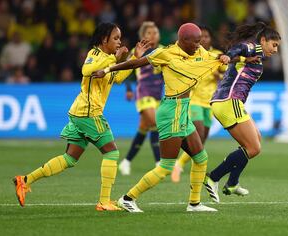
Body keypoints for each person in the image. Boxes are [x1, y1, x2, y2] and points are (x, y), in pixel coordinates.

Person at [92, 23, 230, 212]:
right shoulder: (165, 53)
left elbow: (212, 57)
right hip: (171, 112)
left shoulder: (199, 52)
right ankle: (127, 198)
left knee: (201, 158)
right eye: (196, 42)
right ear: (183, 41)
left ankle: (194, 204)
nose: (199, 45)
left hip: (183, 111)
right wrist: (108, 70)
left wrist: (222, 57)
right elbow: (135, 63)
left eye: (200, 42)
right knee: (166, 166)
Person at [13, 22, 150, 211]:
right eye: (116, 38)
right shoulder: (94, 55)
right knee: (112, 152)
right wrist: (113, 59)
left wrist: (134, 58)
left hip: (81, 113)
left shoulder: (107, 58)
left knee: (70, 159)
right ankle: (104, 202)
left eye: (120, 38)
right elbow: (86, 71)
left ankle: (25, 180)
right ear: (104, 40)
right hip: (89, 113)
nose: (119, 42)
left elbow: (116, 77)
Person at [204, 22, 281, 203]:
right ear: (263, 40)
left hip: (228, 102)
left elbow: (240, 55)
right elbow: (239, 48)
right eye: (274, 44)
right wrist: (228, 55)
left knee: (256, 140)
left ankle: (232, 182)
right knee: (253, 148)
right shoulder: (253, 48)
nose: (276, 50)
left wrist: (236, 58)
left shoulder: (257, 56)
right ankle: (213, 177)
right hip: (229, 101)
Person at [171, 25, 227, 183]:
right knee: (199, 134)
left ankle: (180, 163)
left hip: (210, 103)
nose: (203, 39)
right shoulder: (192, 55)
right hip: (194, 101)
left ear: (211, 39)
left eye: (207, 36)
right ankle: (182, 165)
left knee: (201, 141)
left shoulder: (217, 56)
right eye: (200, 37)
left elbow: (226, 76)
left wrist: (218, 75)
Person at [119, 21, 164, 175]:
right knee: (156, 124)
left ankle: (126, 162)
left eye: (155, 32)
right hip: (144, 93)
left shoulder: (163, 50)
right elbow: (125, 69)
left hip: (159, 96)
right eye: (149, 33)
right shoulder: (137, 50)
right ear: (143, 36)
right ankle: (160, 162)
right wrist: (129, 89)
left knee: (144, 128)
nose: (153, 35)